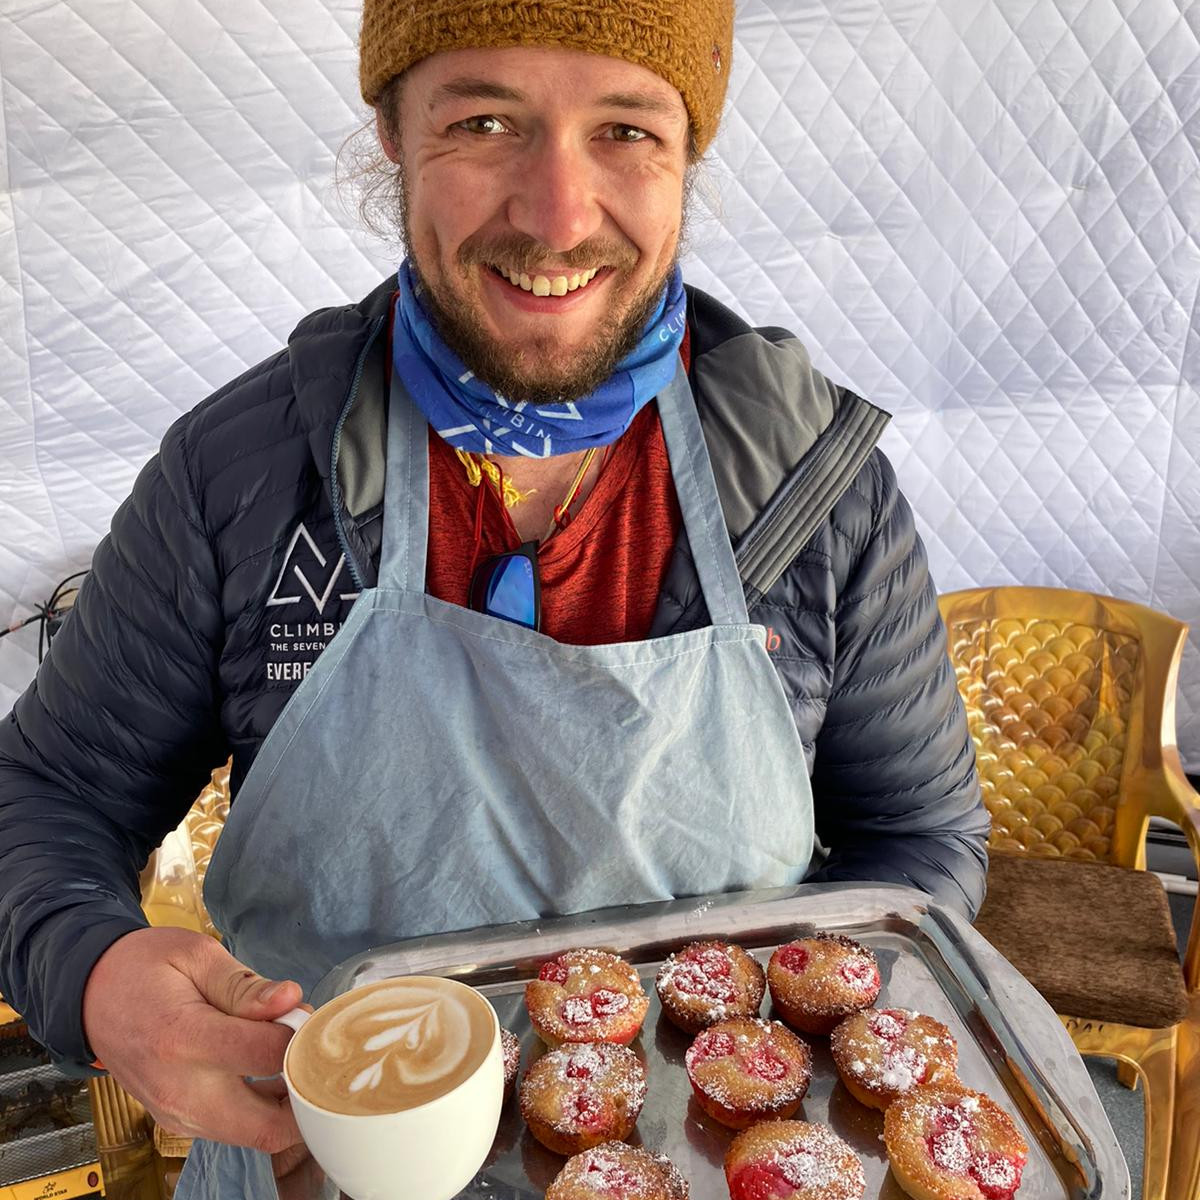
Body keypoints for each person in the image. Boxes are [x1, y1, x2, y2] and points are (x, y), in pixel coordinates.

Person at [0, 1, 989, 1196]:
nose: (558, 215)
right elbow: (43, 795)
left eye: (626, 130)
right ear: (392, 136)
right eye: (483, 120)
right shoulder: (243, 477)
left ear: (689, 159)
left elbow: (920, 843)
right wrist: (96, 970)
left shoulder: (817, 492)